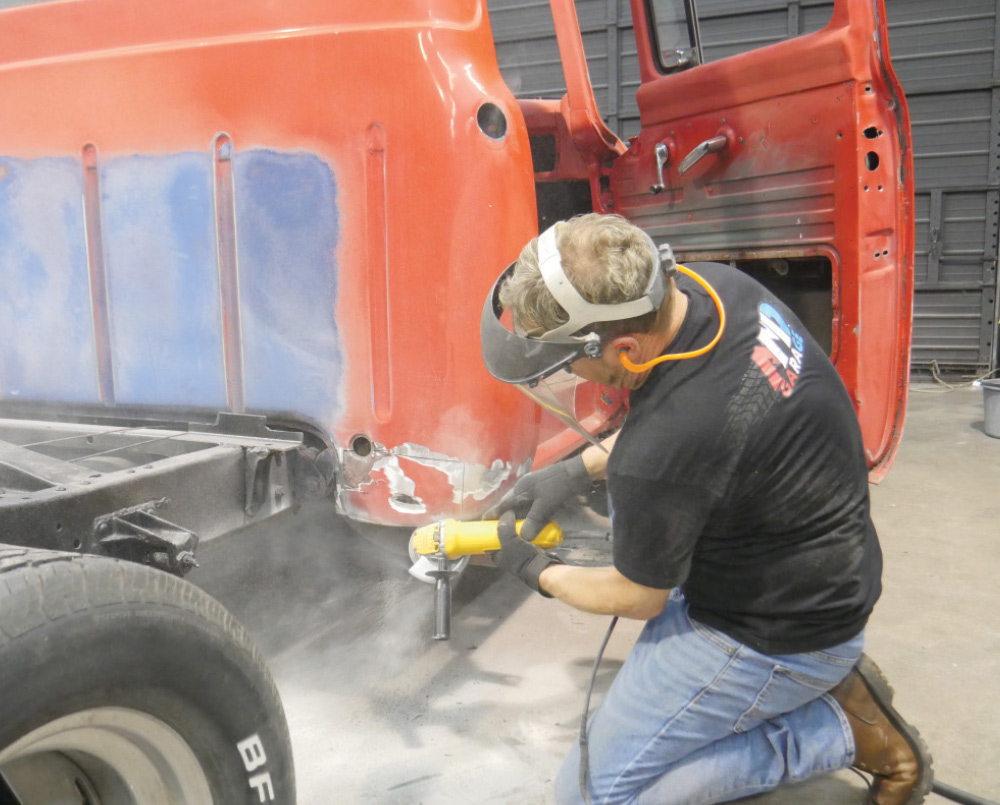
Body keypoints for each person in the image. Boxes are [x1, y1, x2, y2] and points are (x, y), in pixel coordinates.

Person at [480, 213, 933, 805]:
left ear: (624, 347)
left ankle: (836, 733)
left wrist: (536, 571)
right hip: (821, 570)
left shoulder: (662, 450)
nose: (569, 374)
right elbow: (715, 422)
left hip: (776, 630)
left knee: (593, 797)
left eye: (569, 361)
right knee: (639, 505)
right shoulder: (712, 291)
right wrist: (573, 469)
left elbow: (637, 595)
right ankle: (819, 689)